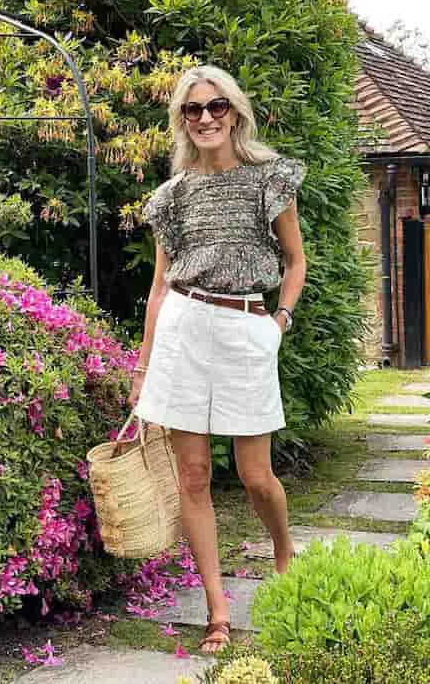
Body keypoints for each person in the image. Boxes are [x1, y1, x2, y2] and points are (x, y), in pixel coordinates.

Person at [127, 65, 307, 654]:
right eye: (193, 109)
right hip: (182, 326)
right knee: (194, 477)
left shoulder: (269, 179)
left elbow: (295, 260)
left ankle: (283, 552)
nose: (205, 118)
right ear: (181, 120)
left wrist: (279, 321)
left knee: (257, 477)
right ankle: (217, 611)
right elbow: (157, 288)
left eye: (216, 107)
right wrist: (143, 364)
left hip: (245, 326)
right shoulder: (171, 198)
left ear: (235, 112)